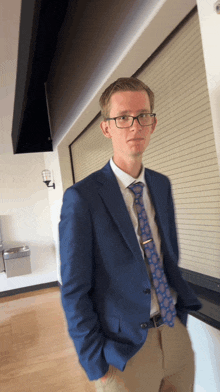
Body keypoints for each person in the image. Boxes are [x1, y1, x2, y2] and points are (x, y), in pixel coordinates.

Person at [59, 77, 201, 391]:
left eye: (143, 115)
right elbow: (74, 290)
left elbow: (168, 259)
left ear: (153, 123)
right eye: (123, 117)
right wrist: (94, 363)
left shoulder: (161, 185)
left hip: (174, 334)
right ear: (106, 127)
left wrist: (178, 319)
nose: (134, 125)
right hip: (123, 352)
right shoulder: (82, 198)